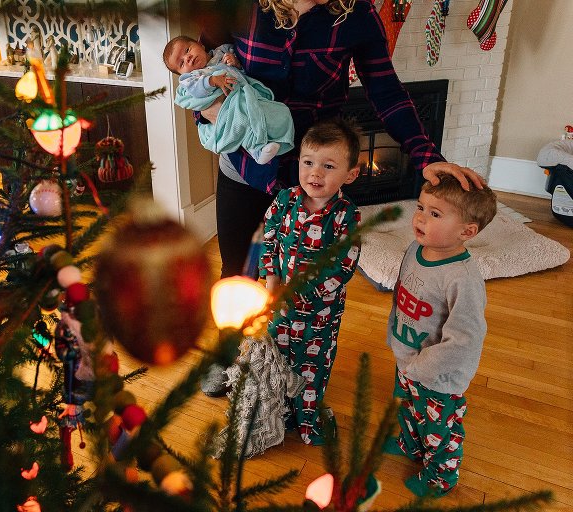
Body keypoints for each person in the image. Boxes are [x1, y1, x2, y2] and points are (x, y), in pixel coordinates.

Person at [199, 0, 486, 396]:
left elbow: (385, 89)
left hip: (315, 174)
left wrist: (425, 154)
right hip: (245, 166)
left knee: (304, 279)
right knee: (237, 269)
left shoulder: (357, 15)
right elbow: (198, 66)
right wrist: (207, 111)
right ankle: (227, 353)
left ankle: (287, 365)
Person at [383, 174, 497, 497]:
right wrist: (395, 334)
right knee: (408, 408)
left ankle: (441, 476)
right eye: (421, 207)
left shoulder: (462, 279)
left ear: (467, 231)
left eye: (435, 214)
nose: (420, 217)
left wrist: (423, 367)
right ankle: (409, 442)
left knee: (439, 430)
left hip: (438, 375)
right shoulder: (415, 249)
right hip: (407, 358)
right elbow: (401, 294)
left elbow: (464, 339)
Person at [260, 117, 361, 446]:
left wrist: (305, 295)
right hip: (279, 308)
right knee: (278, 360)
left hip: (319, 315)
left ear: (350, 174)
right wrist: (272, 279)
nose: (315, 173)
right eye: (308, 163)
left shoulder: (346, 215)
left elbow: (343, 267)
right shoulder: (286, 200)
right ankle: (281, 412)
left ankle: (307, 420)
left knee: (311, 368)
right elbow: (269, 240)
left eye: (328, 166)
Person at [163, 36, 294, 165]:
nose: (188, 58)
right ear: (182, 74)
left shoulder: (222, 52)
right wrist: (212, 81)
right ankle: (255, 149)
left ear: (200, 45)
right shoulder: (193, 77)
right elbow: (195, 89)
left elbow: (241, 73)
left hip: (242, 92)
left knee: (279, 113)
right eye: (182, 63)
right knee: (242, 120)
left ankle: (275, 137)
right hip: (228, 105)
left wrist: (236, 63)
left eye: (187, 50)